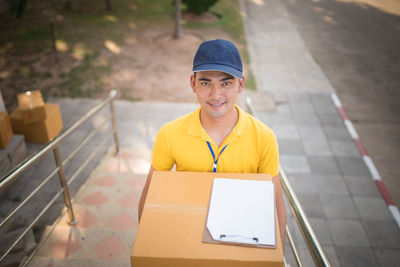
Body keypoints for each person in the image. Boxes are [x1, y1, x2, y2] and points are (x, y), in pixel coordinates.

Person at [138, 39, 286, 246]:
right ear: (193, 84)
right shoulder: (169, 134)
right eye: (206, 83)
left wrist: (275, 257)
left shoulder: (264, 137)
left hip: (239, 234)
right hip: (186, 232)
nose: (216, 95)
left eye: (226, 83)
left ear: (241, 84)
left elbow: (276, 204)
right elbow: (150, 196)